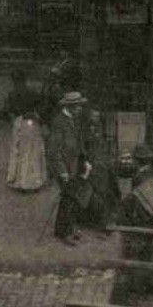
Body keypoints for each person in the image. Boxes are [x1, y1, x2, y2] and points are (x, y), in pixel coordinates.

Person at [49, 91, 94, 244]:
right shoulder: (58, 122)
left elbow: (79, 141)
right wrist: (62, 172)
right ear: (71, 106)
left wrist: (85, 160)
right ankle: (63, 232)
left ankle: (69, 227)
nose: (81, 108)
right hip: (64, 168)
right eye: (78, 106)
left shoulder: (75, 119)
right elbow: (54, 151)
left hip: (76, 164)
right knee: (67, 199)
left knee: (74, 198)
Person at [5, 76, 48, 193]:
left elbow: (6, 111)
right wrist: (37, 115)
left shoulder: (12, 94)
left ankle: (21, 182)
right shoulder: (32, 93)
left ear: (14, 81)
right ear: (24, 80)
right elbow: (43, 104)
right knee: (33, 151)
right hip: (32, 123)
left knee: (19, 151)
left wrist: (13, 118)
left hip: (19, 122)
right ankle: (34, 182)